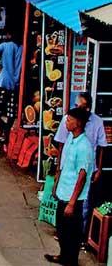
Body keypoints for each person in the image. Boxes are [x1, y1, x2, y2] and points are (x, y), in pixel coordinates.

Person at [45, 107, 94, 266]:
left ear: (78, 123)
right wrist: (56, 184)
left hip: (73, 198)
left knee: (71, 233)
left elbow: (82, 175)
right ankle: (63, 255)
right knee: (61, 229)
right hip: (63, 191)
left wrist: (72, 202)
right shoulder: (70, 140)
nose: (66, 122)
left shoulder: (84, 146)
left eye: (69, 120)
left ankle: (70, 260)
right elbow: (63, 165)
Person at [54, 93, 107, 236]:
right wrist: (58, 169)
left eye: (81, 107)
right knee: (62, 207)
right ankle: (63, 238)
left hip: (82, 172)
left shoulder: (85, 143)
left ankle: (78, 238)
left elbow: (82, 175)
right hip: (67, 171)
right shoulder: (70, 125)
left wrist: (99, 170)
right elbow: (60, 144)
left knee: (80, 208)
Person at [0, 31, 23, 142]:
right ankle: (7, 133)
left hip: (3, 81)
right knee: (11, 111)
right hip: (16, 83)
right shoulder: (22, 48)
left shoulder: (5, 45)